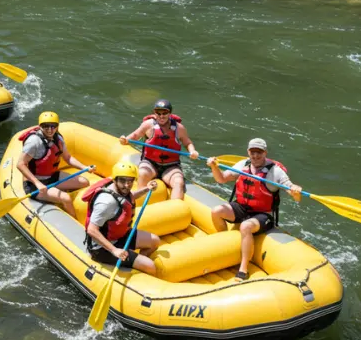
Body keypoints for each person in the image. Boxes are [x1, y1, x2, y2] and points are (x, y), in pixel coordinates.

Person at [206, 138, 303, 281]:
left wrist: (296, 192)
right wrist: (214, 167)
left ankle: (243, 268)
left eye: (259, 152)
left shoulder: (276, 172)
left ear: (265, 153)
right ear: (248, 152)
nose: (256, 156)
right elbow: (221, 179)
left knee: (245, 227)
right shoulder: (242, 164)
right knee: (216, 211)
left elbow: (295, 196)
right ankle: (228, 245)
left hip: (263, 214)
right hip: (242, 207)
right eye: (253, 152)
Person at [83, 161, 161, 275]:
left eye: (130, 181)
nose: (127, 185)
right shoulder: (106, 203)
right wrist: (114, 250)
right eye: (123, 181)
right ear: (114, 180)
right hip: (102, 248)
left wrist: (146, 189)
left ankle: (134, 267)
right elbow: (91, 230)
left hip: (119, 236)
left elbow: (127, 197)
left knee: (155, 241)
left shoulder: (120, 190)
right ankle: (138, 265)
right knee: (150, 266)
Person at [119, 99, 199, 200]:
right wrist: (126, 139)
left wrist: (192, 151)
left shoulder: (179, 128)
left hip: (170, 166)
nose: (161, 116)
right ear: (154, 113)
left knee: (178, 182)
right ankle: (139, 202)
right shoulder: (148, 125)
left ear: (170, 113)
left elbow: (188, 143)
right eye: (158, 113)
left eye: (165, 113)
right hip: (150, 163)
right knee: (142, 173)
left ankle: (175, 209)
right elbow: (135, 135)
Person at [16, 112, 90, 217]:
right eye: (46, 126)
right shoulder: (34, 142)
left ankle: (54, 196)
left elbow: (68, 158)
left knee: (84, 182)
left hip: (52, 177)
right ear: (40, 126)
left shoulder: (58, 138)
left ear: (57, 126)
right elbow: (20, 164)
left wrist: (84, 167)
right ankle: (74, 218)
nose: (50, 130)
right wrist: (37, 184)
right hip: (35, 184)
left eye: (53, 126)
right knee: (66, 198)